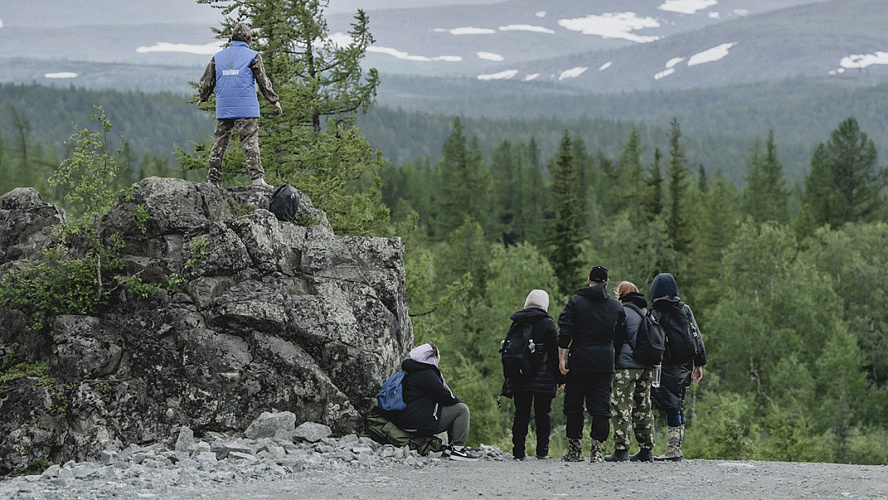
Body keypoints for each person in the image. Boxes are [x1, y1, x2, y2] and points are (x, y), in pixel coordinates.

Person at [197, 22, 283, 189]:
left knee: (219, 142)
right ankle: (257, 180)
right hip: (246, 107)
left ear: (232, 38)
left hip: (224, 107)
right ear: (248, 38)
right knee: (250, 142)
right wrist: (273, 99)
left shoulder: (218, 56)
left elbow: (207, 80)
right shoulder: (253, 56)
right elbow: (262, 80)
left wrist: (203, 96)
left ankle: (212, 181)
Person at [557, 266, 626, 462]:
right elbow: (621, 336)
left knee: (574, 406)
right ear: (606, 282)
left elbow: (565, 332)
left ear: (589, 280)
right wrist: (613, 355)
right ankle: (597, 451)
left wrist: (562, 358)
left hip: (579, 360)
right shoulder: (615, 307)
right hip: (604, 362)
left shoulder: (576, 302)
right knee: (601, 407)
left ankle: (574, 450)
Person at [389, 342, 482, 461]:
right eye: (438, 354)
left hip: (407, 420)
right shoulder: (426, 374)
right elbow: (445, 397)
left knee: (453, 408)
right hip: (416, 422)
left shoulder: (413, 371)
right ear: (431, 357)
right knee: (461, 410)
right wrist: (458, 401)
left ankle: (451, 448)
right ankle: (458, 450)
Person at [649, 272, 707, 462]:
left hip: (665, 364)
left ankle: (673, 449)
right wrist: (699, 363)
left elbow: (651, 339)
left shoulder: (656, 312)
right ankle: (676, 447)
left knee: (671, 406)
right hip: (685, 364)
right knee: (678, 403)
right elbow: (696, 335)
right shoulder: (685, 309)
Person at [504, 289, 563, 460]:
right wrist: (560, 379)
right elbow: (554, 354)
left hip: (520, 377)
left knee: (521, 413)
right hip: (543, 378)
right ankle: (542, 452)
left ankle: (518, 451)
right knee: (543, 414)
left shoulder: (516, 322)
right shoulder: (548, 324)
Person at [605, 281, 655, 462]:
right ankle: (646, 449)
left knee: (621, 405)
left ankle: (621, 448)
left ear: (620, 294)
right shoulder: (645, 312)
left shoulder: (622, 312)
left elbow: (616, 341)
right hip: (646, 366)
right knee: (643, 406)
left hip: (626, 366)